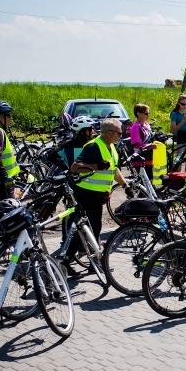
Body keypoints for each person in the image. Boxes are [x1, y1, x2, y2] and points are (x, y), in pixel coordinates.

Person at [65, 118, 132, 276]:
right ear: (109, 133)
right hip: (85, 194)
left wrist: (125, 186)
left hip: (97, 195)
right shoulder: (94, 146)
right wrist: (97, 166)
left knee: (94, 228)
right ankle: (66, 261)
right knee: (86, 229)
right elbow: (75, 168)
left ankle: (93, 262)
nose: (121, 136)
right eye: (119, 133)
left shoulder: (110, 147)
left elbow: (113, 170)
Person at [131, 103, 156, 178]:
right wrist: (149, 146)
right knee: (143, 183)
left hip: (149, 157)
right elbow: (135, 144)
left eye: (149, 113)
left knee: (150, 181)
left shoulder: (146, 125)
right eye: (146, 113)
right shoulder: (136, 127)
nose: (148, 115)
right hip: (140, 159)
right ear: (138, 114)